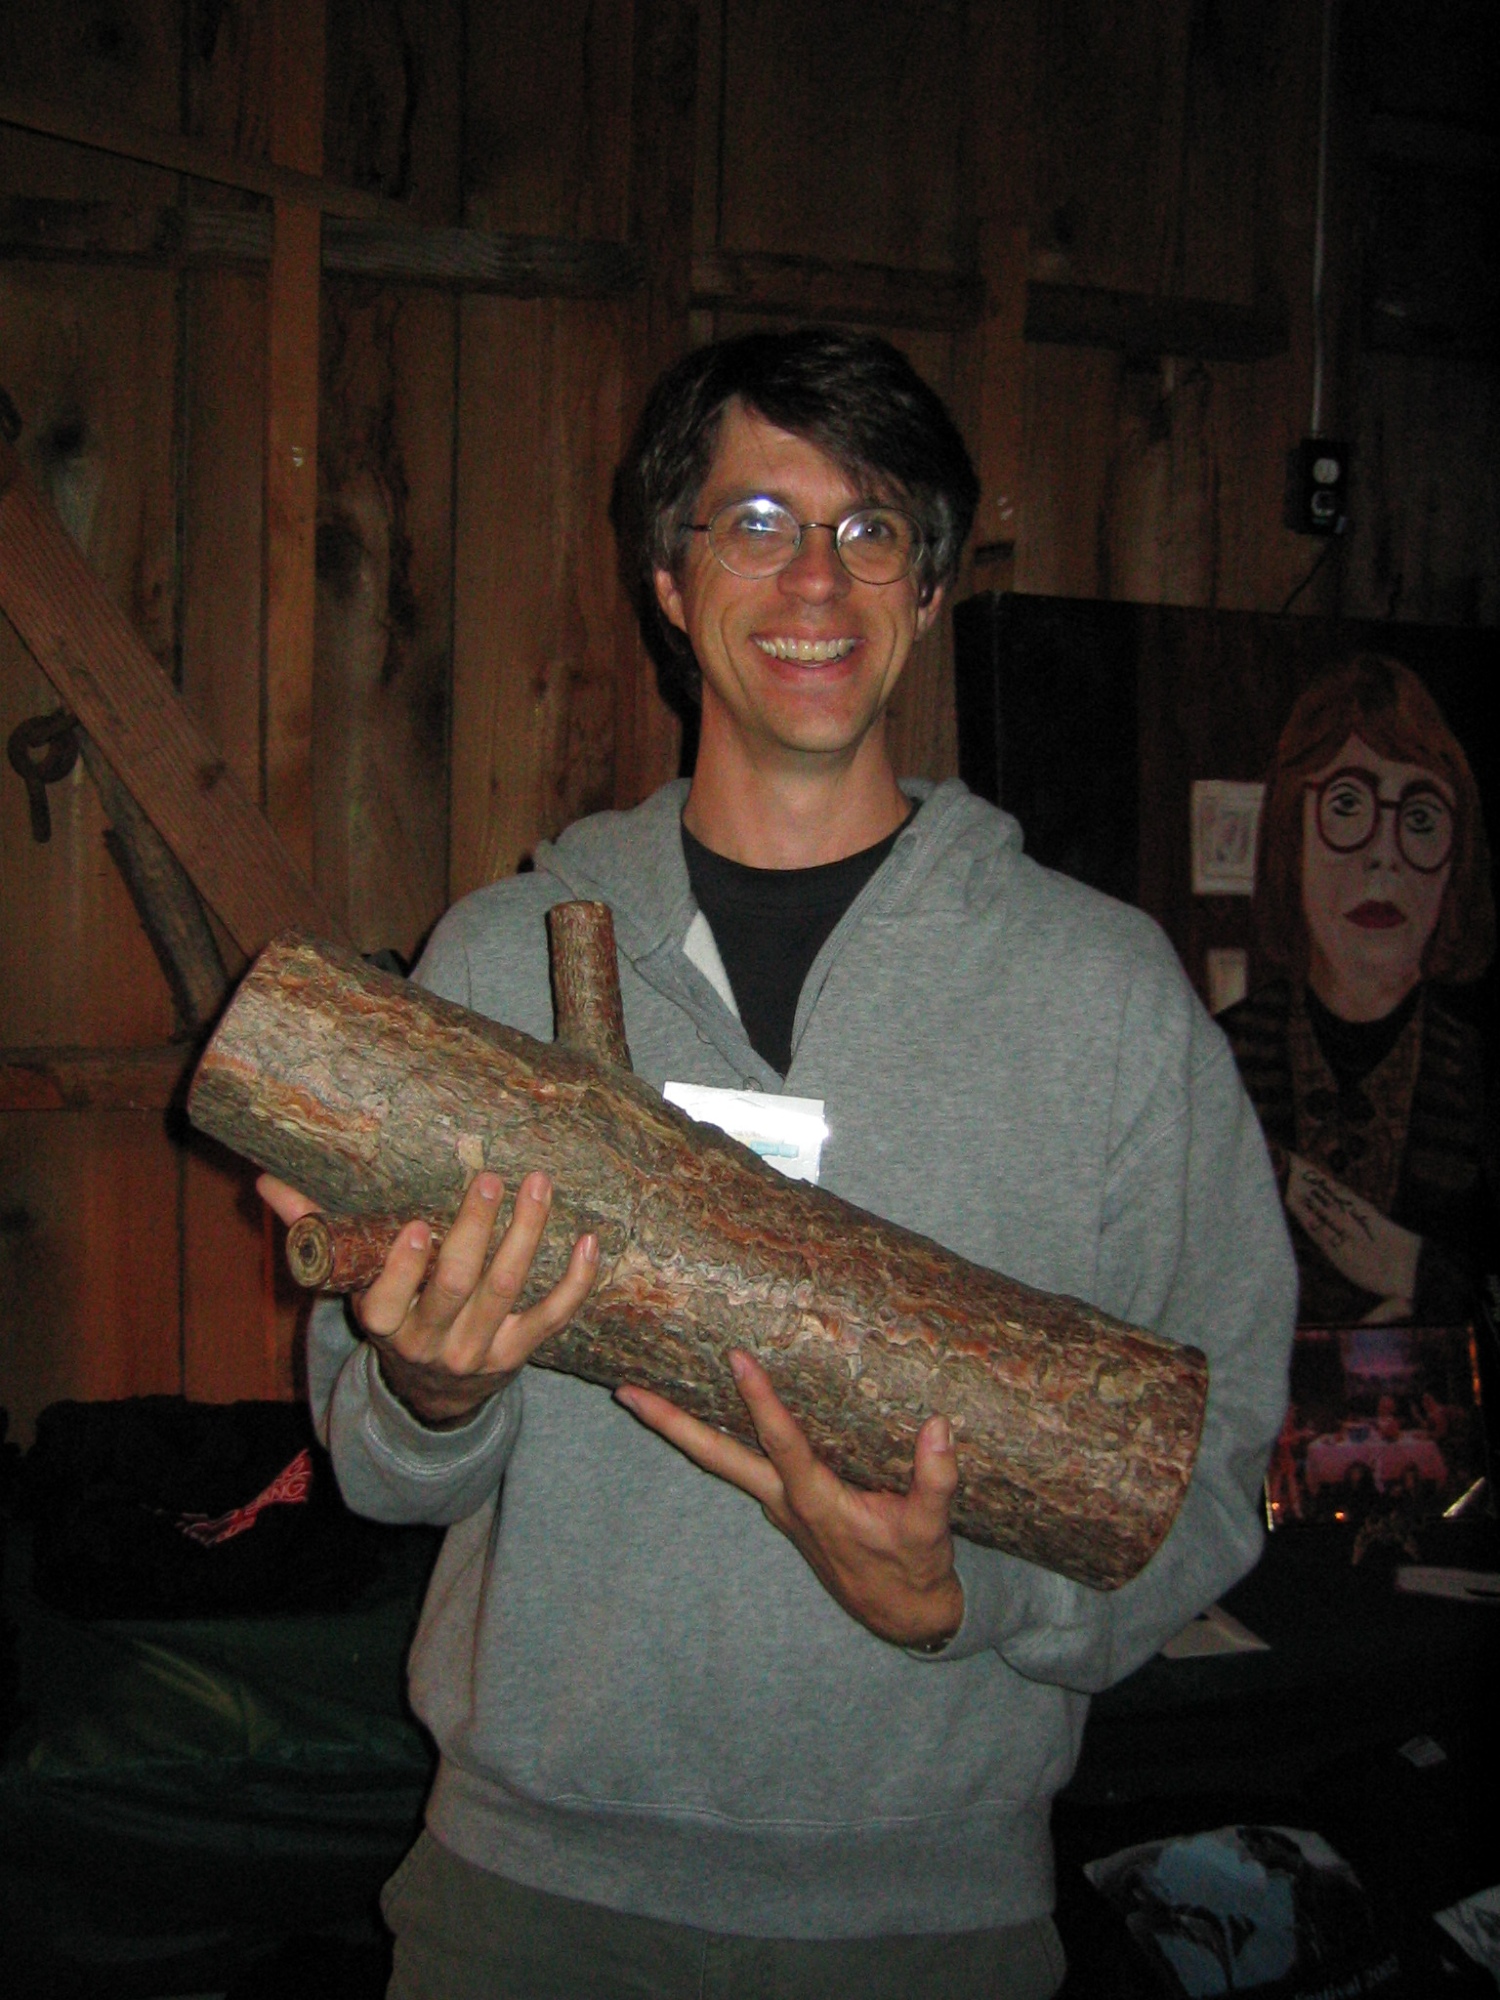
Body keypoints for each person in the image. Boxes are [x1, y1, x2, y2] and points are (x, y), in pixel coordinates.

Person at [262, 328, 1296, 1999]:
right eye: (755, 521)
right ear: (670, 583)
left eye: (870, 526)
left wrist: (976, 1604)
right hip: (528, 1899)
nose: (816, 576)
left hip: (930, 1920)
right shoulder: (500, 959)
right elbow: (386, 1472)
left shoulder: (1103, 994)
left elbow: (1223, 1425)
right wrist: (427, 1394)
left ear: (929, 589)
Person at [1220, 654, 1496, 1327]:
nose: (1385, 855)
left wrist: (1415, 1271)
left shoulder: (1482, 1074)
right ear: (1291, 835)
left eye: (1422, 818)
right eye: (1348, 805)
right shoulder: (1215, 1061)